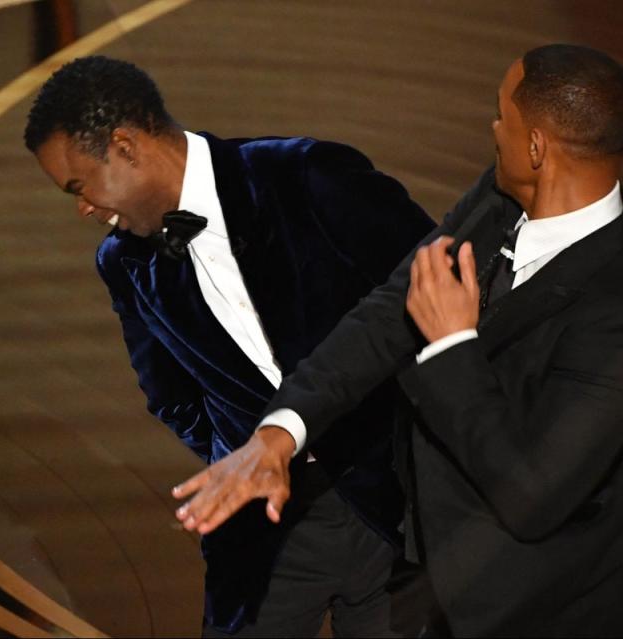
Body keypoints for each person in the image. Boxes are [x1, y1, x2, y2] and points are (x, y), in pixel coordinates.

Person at [172, 44, 623, 636]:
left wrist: (452, 345)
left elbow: (530, 497)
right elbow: (391, 310)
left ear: (537, 146)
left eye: (501, 117)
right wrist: (281, 432)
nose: (492, 129)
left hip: (563, 605)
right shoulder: (505, 195)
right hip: (448, 574)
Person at [23, 55, 437, 637]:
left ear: (125, 145)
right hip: (263, 534)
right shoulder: (123, 264)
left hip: (394, 509)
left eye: (79, 185)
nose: (82, 208)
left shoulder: (308, 176)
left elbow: (440, 293)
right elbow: (170, 395)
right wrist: (238, 453)